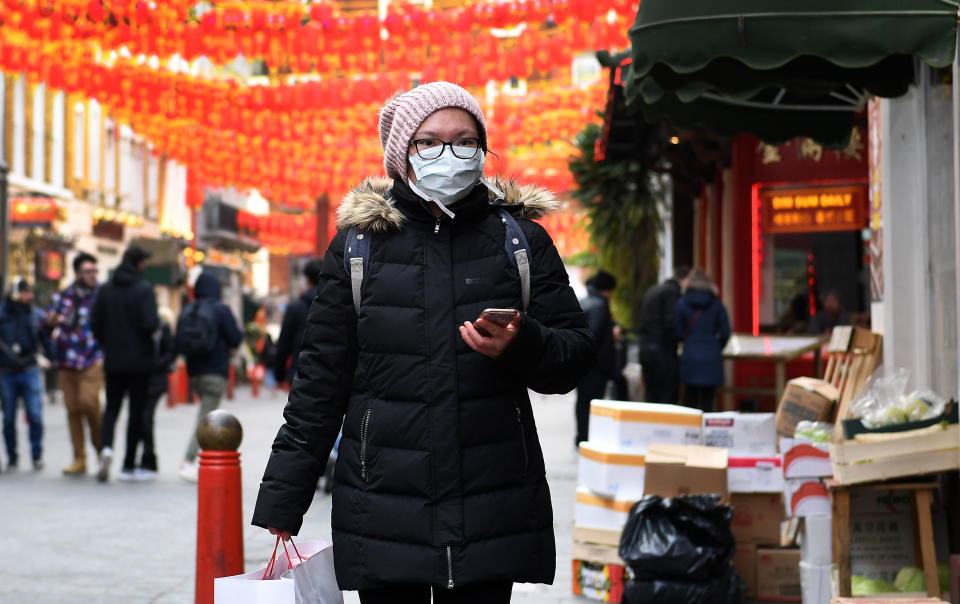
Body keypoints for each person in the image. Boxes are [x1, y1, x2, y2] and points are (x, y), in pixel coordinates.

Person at [251, 81, 595, 603]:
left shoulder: (519, 240)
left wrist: (522, 344)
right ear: (402, 154)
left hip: (490, 502)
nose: (448, 154)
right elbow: (320, 382)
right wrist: (284, 498)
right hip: (382, 504)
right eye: (428, 142)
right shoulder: (359, 247)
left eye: (464, 140)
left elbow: (571, 361)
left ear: (483, 149)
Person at [90, 244, 159, 482]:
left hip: (114, 360)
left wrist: (109, 342)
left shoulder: (106, 289)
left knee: (111, 408)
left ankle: (106, 448)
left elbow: (95, 324)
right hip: (140, 362)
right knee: (136, 412)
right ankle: (128, 465)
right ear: (139, 263)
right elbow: (151, 323)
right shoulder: (143, 289)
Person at [176, 271, 243, 483]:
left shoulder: (188, 309)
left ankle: (204, 460)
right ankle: (188, 461)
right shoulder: (220, 309)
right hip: (215, 371)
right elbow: (235, 338)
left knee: (206, 415)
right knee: (206, 419)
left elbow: (176, 340)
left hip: (193, 372)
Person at [45, 252, 104, 476]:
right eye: (88, 272)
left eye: (94, 271)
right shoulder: (63, 297)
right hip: (66, 360)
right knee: (72, 409)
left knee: (89, 403)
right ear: (77, 273)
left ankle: (100, 448)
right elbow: (45, 323)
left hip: (91, 358)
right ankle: (79, 458)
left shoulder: (101, 296)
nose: (92, 276)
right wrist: (50, 321)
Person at [0, 279, 46, 471]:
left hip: (29, 369)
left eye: (30, 292)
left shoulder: (35, 314)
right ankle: (12, 455)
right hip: (7, 371)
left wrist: (49, 355)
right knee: (8, 417)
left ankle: (36, 455)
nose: (29, 295)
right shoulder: (3, 312)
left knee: (35, 414)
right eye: (25, 292)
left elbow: (45, 335)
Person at [675, 269, 731, 412]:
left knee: (690, 399)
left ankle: (689, 432)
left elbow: (677, 332)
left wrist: (687, 341)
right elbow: (725, 331)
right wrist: (717, 346)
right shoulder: (717, 304)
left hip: (690, 354)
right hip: (712, 354)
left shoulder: (682, 303)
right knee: (708, 400)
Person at [132, 307, 176, 481]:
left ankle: (149, 459)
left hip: (155, 379)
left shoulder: (162, 328)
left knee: (146, 417)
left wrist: (153, 364)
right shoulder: (136, 327)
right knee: (139, 417)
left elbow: (169, 353)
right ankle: (141, 458)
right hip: (139, 379)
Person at [575, 270, 618, 447]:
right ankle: (586, 439)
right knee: (590, 403)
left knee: (583, 402)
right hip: (596, 365)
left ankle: (581, 437)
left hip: (585, 364)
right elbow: (593, 335)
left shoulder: (585, 301)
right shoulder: (600, 305)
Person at [638, 266, 690, 403]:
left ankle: (650, 422)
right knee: (666, 394)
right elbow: (671, 322)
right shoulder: (672, 292)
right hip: (662, 350)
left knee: (651, 393)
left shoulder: (653, 290)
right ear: (684, 280)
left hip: (646, 347)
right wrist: (682, 337)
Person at [273, 258, 322, 386]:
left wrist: (279, 374)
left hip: (301, 371)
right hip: (334, 374)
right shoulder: (339, 304)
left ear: (307, 280)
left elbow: (284, 343)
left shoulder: (296, 307)